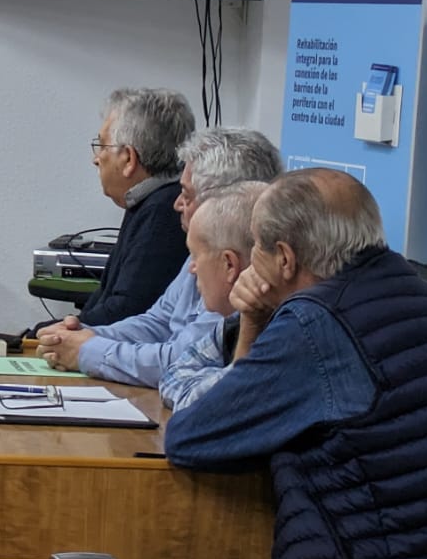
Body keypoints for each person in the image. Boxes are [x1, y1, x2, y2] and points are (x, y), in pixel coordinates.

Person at [165, 170, 427, 559]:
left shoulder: (315, 324)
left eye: (257, 246)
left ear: (284, 258)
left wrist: (254, 320)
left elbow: (193, 436)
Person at [38, 126, 281, 379]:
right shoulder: (202, 251)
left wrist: (88, 351)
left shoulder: (247, 272)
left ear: (227, 202)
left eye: (186, 194)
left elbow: (180, 360)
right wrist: (82, 336)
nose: (176, 204)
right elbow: (158, 322)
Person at [72, 87, 195, 327]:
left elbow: (126, 312)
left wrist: (53, 333)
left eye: (102, 145)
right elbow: (105, 299)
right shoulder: (147, 202)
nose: (95, 158)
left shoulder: (165, 212)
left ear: (128, 159)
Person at [156, 181, 267, 412]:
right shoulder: (231, 325)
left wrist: (249, 330)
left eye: (195, 256)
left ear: (229, 264)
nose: (191, 269)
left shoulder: (273, 324)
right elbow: (172, 376)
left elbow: (217, 409)